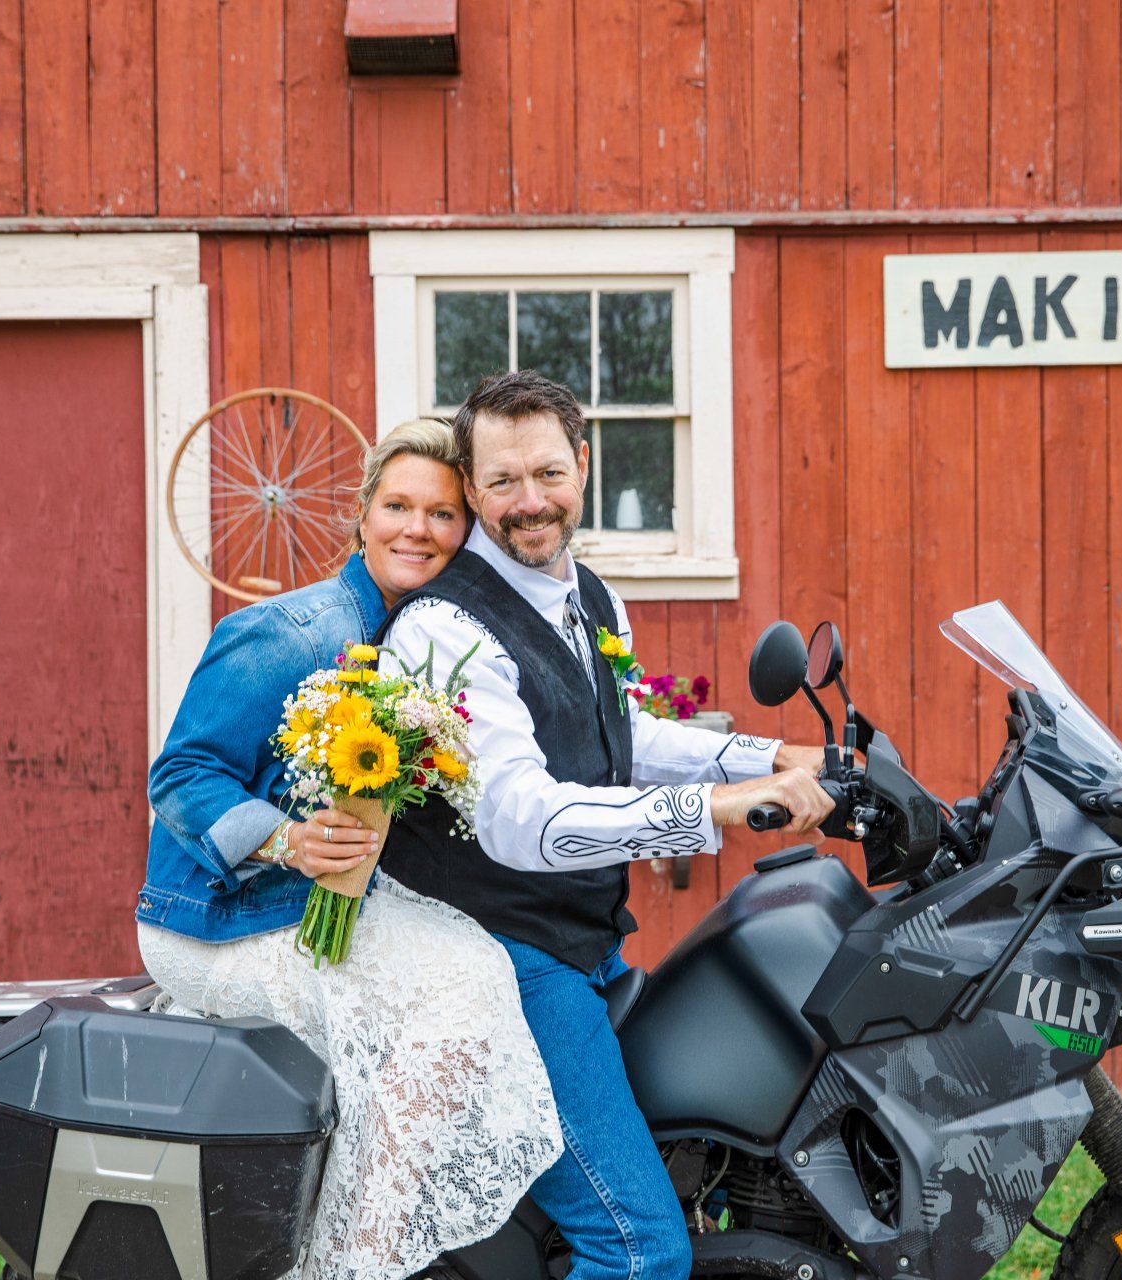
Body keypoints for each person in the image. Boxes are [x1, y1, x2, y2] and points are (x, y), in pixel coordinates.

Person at [377, 371, 835, 1280]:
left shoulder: (588, 595)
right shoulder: (444, 630)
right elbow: (519, 819)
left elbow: (624, 733)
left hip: (582, 942)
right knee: (637, 1250)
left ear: (583, 463)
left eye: (548, 472)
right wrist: (709, 809)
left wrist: (767, 757)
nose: (529, 501)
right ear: (470, 489)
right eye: (501, 482)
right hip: (503, 959)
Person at [134, 418, 562, 1280]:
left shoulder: (428, 641)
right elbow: (180, 774)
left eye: (442, 515)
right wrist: (286, 839)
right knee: (458, 987)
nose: (418, 529)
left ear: (468, 530)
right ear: (361, 515)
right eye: (398, 505)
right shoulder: (293, 631)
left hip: (320, 902)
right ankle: (357, 1262)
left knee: (480, 962)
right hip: (221, 916)